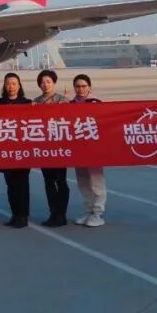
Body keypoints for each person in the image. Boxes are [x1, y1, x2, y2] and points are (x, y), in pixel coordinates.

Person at [34, 69, 70, 227]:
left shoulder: (63, 100)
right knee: (48, 182)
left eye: (48, 81)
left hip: (59, 147)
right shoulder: (35, 102)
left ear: (54, 83)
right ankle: (53, 213)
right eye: (42, 82)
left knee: (61, 181)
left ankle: (62, 214)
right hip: (44, 147)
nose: (45, 84)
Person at [70, 74, 106, 228]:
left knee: (96, 181)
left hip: (93, 149)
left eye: (83, 86)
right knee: (83, 181)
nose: (80, 89)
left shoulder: (96, 103)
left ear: (89, 87)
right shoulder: (70, 104)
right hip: (78, 149)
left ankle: (98, 213)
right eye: (77, 86)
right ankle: (89, 211)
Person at [0, 73, 32, 229]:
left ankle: (23, 215)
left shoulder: (27, 103)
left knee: (22, 185)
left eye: (13, 83)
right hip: (6, 151)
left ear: (19, 86)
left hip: (22, 151)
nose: (10, 86)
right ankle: (14, 214)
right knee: (10, 185)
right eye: (8, 83)